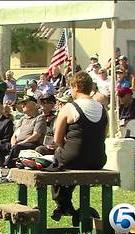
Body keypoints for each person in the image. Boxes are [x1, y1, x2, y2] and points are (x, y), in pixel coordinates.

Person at [46, 71, 107, 221]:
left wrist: (65, 147)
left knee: (58, 160)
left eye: (70, 87)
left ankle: (62, 203)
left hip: (74, 157)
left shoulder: (69, 107)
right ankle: (66, 205)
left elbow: (57, 139)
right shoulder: (102, 108)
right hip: (98, 160)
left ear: (75, 87)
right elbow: (103, 136)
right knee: (66, 160)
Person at [4, 95, 46, 168]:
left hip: (32, 144)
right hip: (18, 144)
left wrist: (21, 143)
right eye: (22, 103)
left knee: (17, 147)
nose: (22, 105)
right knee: (0, 147)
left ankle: (7, 167)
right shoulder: (22, 119)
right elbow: (15, 135)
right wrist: (13, 142)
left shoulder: (40, 118)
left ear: (34, 104)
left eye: (25, 103)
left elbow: (35, 136)